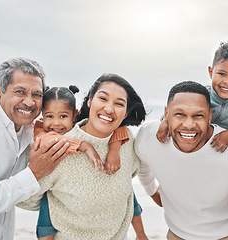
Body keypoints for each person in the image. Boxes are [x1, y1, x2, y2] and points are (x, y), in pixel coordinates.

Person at [18, 73, 147, 240]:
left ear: (126, 112)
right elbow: (26, 200)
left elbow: (130, 186)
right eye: (103, 98)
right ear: (90, 101)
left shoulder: (128, 141)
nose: (109, 108)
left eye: (119, 103)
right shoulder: (57, 148)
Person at [0, 57, 69, 240]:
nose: (30, 102)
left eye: (37, 95)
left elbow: (80, 125)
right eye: (20, 92)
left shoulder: (32, 129)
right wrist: (33, 174)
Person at [136, 81, 228, 240]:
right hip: (177, 234)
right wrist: (151, 191)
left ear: (210, 116)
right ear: (166, 113)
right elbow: (142, 162)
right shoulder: (148, 137)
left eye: (198, 115)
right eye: (179, 114)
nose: (189, 124)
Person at [157, 42, 228, 152]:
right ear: (211, 72)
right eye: (222, 74)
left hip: (223, 156)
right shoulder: (200, 95)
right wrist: (166, 122)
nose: (227, 82)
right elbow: (175, 112)